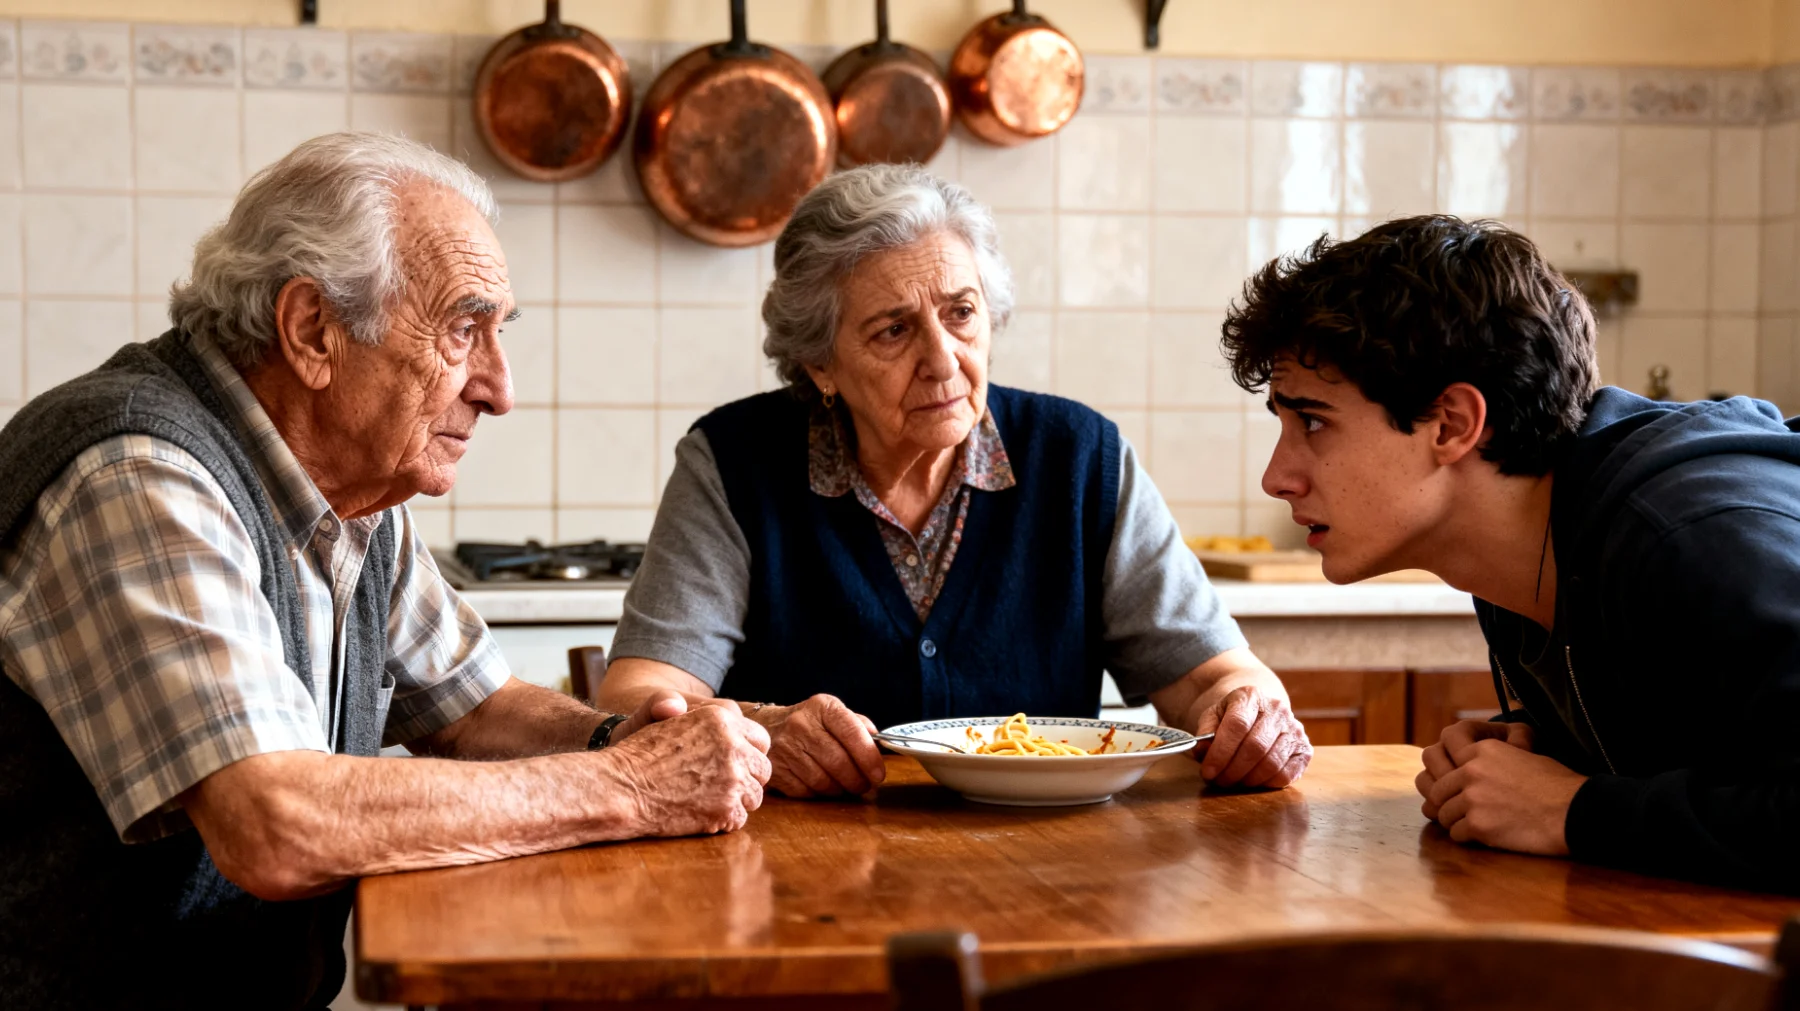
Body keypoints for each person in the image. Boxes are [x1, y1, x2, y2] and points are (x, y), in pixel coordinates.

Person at [0, 132, 770, 1009]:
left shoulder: (351, 486)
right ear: (312, 331)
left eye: (499, 333)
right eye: (462, 329)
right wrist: (630, 786)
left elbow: (474, 708)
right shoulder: (136, 472)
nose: (499, 386)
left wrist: (623, 742)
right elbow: (275, 823)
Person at [597, 164, 1310, 800]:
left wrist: (1247, 712)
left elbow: (1211, 675)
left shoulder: (1079, 455)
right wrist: (762, 728)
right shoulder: (733, 461)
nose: (945, 360)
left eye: (961, 313)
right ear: (821, 364)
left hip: (1052, 870)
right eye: (893, 330)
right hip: (803, 874)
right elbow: (638, 698)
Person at [1222, 213, 1800, 891]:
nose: (1276, 476)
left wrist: (1574, 810)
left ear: (1455, 424)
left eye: (1313, 420)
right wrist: (1535, 742)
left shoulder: (1692, 532)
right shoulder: (1521, 552)